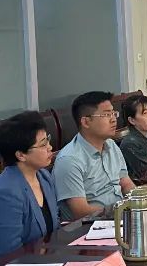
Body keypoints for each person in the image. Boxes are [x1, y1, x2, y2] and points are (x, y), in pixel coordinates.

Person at [0, 112, 59, 266]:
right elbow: (9, 255)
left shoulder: (43, 176)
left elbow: (54, 230)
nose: (50, 147)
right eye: (43, 144)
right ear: (21, 155)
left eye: (48, 140)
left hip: (41, 264)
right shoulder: (5, 194)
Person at [53, 91, 135, 221]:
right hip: (90, 226)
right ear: (86, 122)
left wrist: (139, 201)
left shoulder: (111, 145)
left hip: (119, 217)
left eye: (114, 113)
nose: (114, 119)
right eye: (106, 114)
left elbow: (126, 184)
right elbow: (81, 212)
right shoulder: (69, 160)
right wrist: (120, 210)